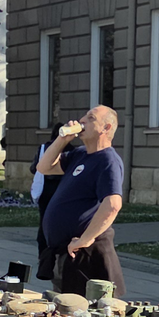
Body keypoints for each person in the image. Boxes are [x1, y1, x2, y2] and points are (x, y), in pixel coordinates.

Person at [36, 106, 125, 297]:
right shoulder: (80, 154)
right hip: (66, 253)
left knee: (81, 312)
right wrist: (62, 140)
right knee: (64, 309)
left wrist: (85, 239)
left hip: (87, 255)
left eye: (91, 118)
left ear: (106, 128)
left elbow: (112, 204)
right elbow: (43, 167)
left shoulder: (107, 160)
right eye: (84, 116)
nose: (82, 120)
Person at [31, 121, 79, 283]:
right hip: (62, 191)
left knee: (44, 224)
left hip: (46, 191)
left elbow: (34, 168)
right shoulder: (73, 151)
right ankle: (57, 254)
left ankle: (44, 256)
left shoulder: (45, 148)